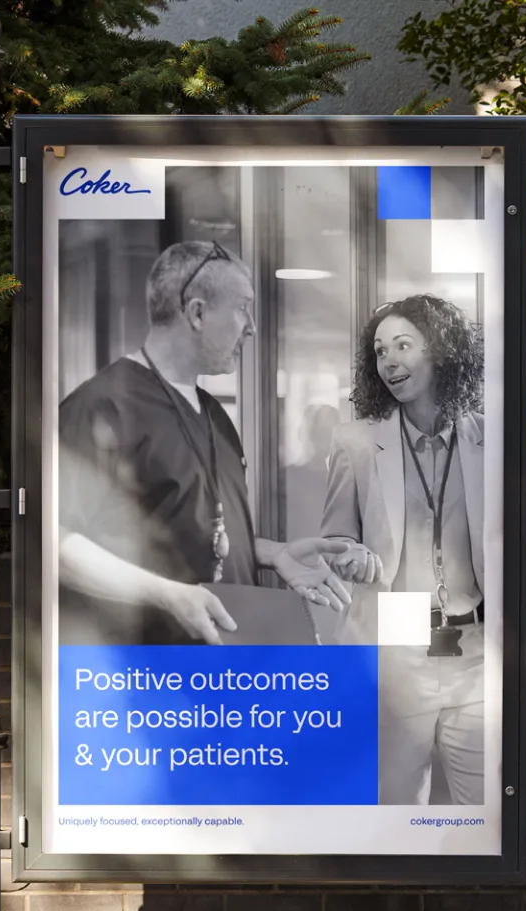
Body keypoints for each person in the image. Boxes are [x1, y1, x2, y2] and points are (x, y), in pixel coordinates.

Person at [58, 240, 354, 646]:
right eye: (242, 308)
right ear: (197, 313)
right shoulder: (100, 406)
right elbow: (56, 543)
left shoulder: (214, 414)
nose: (251, 327)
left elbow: (191, 528)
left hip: (220, 666)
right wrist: (167, 594)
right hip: (145, 670)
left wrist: (269, 553)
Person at [320, 294, 488, 806]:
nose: (389, 361)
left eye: (402, 346)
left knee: (482, 811)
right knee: (395, 808)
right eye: (379, 351)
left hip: (475, 645)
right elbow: (335, 538)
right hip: (394, 640)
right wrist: (349, 555)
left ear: (440, 350)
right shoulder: (356, 442)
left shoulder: (487, 438)